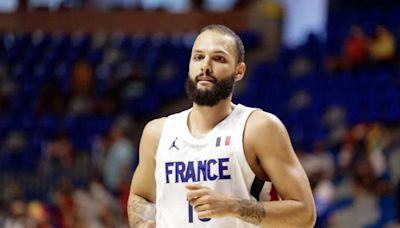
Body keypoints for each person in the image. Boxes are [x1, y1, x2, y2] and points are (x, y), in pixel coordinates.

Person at [127, 24, 316, 228]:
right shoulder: (157, 133)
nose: (205, 66)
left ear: (239, 71)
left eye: (219, 58)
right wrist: (143, 222)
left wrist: (233, 207)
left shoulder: (259, 128)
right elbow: (140, 196)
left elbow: (305, 214)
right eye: (198, 57)